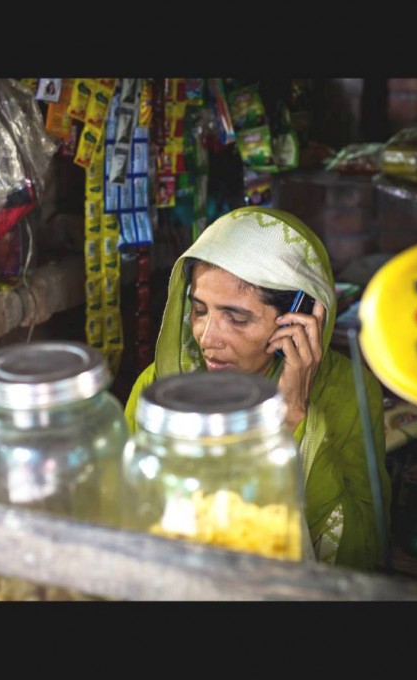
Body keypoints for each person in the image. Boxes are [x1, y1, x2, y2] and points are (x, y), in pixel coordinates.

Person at [124, 206, 392, 572]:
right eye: (200, 310)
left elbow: (359, 556)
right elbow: (121, 528)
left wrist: (294, 417)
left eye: (236, 318)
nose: (207, 338)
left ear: (298, 317)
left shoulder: (345, 391)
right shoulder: (161, 388)